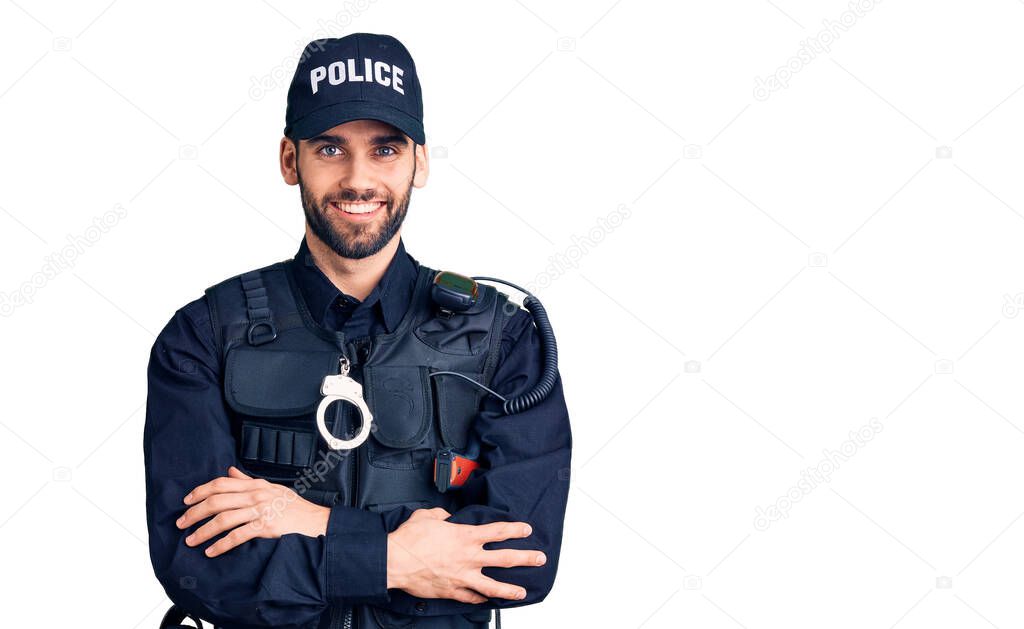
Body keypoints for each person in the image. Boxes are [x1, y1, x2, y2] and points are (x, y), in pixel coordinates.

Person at [143, 32, 573, 629]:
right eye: (330, 148)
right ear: (291, 160)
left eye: (386, 150)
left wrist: (313, 523)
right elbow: (198, 570)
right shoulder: (203, 336)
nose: (358, 179)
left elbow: (523, 563)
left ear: (419, 163)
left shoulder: (504, 338)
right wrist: (404, 556)